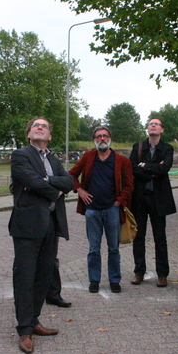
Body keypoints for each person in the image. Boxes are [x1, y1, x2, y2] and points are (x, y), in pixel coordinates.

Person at [9, 117, 74, 354]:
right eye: (36, 125)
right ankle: (24, 329)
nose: (40, 128)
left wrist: (49, 182)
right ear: (29, 134)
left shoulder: (53, 160)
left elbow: (70, 182)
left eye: (45, 126)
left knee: (44, 275)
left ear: (49, 136)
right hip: (27, 225)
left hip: (51, 224)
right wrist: (53, 188)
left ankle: (34, 320)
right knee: (25, 277)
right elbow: (31, 181)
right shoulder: (20, 155)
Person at [69, 126, 133, 294]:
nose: (102, 139)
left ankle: (114, 280)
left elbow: (129, 185)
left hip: (112, 210)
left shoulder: (121, 160)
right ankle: (94, 280)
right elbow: (71, 175)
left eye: (105, 136)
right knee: (93, 249)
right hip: (92, 210)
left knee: (113, 249)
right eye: (98, 136)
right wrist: (79, 190)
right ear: (94, 140)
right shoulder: (88, 157)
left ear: (110, 139)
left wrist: (119, 202)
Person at [129, 118, 176, 287]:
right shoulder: (138, 146)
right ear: (148, 128)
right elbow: (132, 168)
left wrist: (145, 166)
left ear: (162, 129)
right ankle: (139, 272)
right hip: (140, 198)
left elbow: (165, 169)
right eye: (150, 124)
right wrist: (153, 169)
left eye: (156, 124)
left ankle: (162, 274)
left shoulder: (167, 148)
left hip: (159, 199)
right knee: (138, 237)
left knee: (160, 238)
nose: (153, 126)